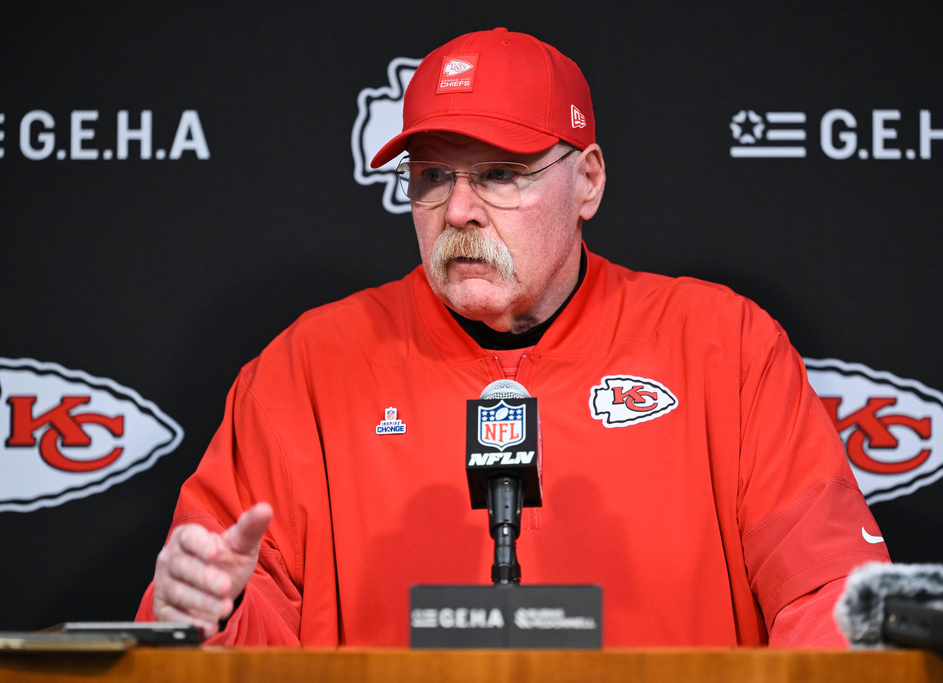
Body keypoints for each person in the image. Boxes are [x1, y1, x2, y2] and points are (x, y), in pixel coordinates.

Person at [137, 27, 890, 647]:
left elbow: (827, 594)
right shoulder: (306, 367)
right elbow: (235, 621)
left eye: (500, 174)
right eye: (432, 177)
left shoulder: (726, 347)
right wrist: (205, 613)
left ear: (588, 180)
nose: (458, 209)